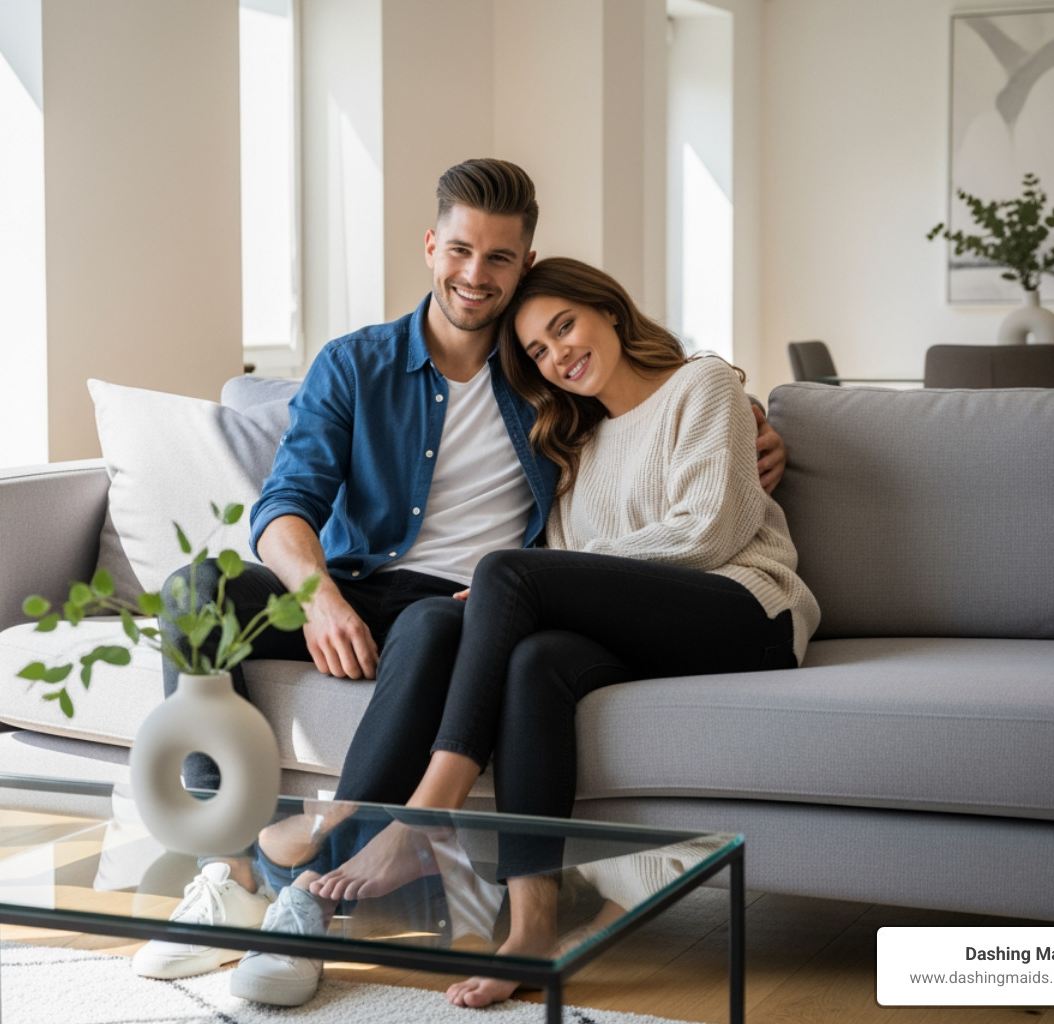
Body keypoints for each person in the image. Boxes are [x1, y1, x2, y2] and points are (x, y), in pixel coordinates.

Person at [134, 160, 790, 993]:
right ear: (431, 246)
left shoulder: (541, 380)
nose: (475, 275)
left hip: (464, 602)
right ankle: (223, 870)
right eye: (460, 250)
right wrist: (317, 597)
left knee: (437, 620)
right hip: (355, 579)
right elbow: (285, 503)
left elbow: (659, 401)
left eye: (500, 259)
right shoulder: (356, 364)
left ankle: (304, 900)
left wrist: (756, 419)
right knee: (198, 591)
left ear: (524, 263)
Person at [303, 257, 821, 1009]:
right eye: (539, 353)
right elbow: (576, 582)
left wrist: (538, 577)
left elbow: (710, 532)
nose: (559, 355)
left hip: (747, 610)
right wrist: (519, 588)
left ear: (609, 310)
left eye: (564, 327)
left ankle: (425, 816)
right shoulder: (573, 447)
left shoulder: (703, 385)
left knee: (505, 574)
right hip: (658, 629)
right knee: (536, 660)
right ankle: (532, 923)